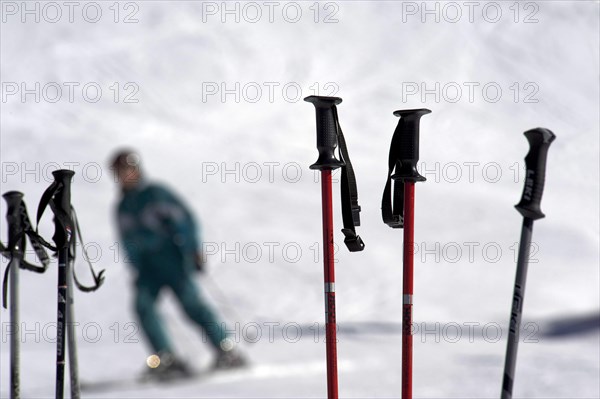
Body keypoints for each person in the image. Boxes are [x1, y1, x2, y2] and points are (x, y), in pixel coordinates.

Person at [110, 149, 245, 379]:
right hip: (147, 267)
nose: (124, 175)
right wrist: (136, 266)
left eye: (128, 170)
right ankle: (165, 357)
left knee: (191, 304)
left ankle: (225, 348)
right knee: (143, 306)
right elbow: (127, 241)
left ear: (137, 169)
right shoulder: (122, 207)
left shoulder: (155, 194)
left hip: (172, 258)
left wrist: (192, 249)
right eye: (119, 172)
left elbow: (184, 219)